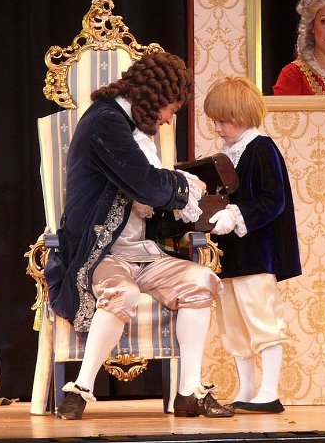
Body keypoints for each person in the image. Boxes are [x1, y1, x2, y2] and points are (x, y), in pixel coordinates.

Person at [44, 51, 234, 420]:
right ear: (153, 97)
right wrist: (183, 184)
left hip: (144, 253)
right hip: (102, 251)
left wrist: (199, 205)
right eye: (170, 109)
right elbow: (147, 185)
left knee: (201, 282)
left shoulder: (131, 127)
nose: (169, 119)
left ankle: (189, 392)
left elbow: (153, 196)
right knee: (123, 293)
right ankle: (80, 389)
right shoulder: (105, 122)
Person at [201, 76, 302, 414]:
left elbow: (274, 199)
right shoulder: (228, 153)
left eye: (223, 120)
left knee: (262, 320)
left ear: (242, 115)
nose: (218, 128)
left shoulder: (261, 148)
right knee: (234, 324)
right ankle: (246, 389)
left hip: (257, 254)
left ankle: (269, 391)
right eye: (215, 121)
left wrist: (235, 215)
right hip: (232, 255)